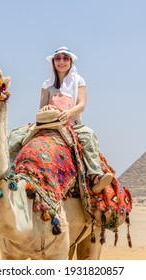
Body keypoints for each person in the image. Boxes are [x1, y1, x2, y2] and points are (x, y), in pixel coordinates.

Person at [38, 46, 112, 193]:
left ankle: (94, 176)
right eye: (58, 58)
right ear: (53, 62)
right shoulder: (47, 84)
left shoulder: (78, 81)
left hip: (72, 124)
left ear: (71, 61)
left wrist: (68, 112)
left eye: (65, 58)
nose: (61, 61)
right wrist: (45, 109)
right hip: (49, 125)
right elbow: (41, 108)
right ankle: (14, 172)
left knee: (88, 135)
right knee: (17, 135)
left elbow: (82, 105)